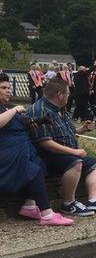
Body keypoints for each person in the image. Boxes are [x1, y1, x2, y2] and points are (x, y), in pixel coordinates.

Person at [26, 78, 96, 217]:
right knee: (75, 162)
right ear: (60, 94)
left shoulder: (60, 110)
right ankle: (69, 203)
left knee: (95, 163)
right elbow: (45, 142)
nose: (69, 96)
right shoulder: (40, 111)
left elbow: (65, 132)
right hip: (47, 156)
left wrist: (81, 130)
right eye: (68, 93)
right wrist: (74, 152)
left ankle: (94, 200)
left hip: (64, 154)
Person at [0, 73, 74, 226]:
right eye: (3, 88)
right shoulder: (10, 110)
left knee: (40, 165)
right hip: (8, 152)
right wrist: (15, 110)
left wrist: (35, 123)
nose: (8, 90)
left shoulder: (4, 107)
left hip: (23, 148)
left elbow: (16, 127)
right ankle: (47, 214)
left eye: (8, 87)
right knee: (34, 170)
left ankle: (29, 205)